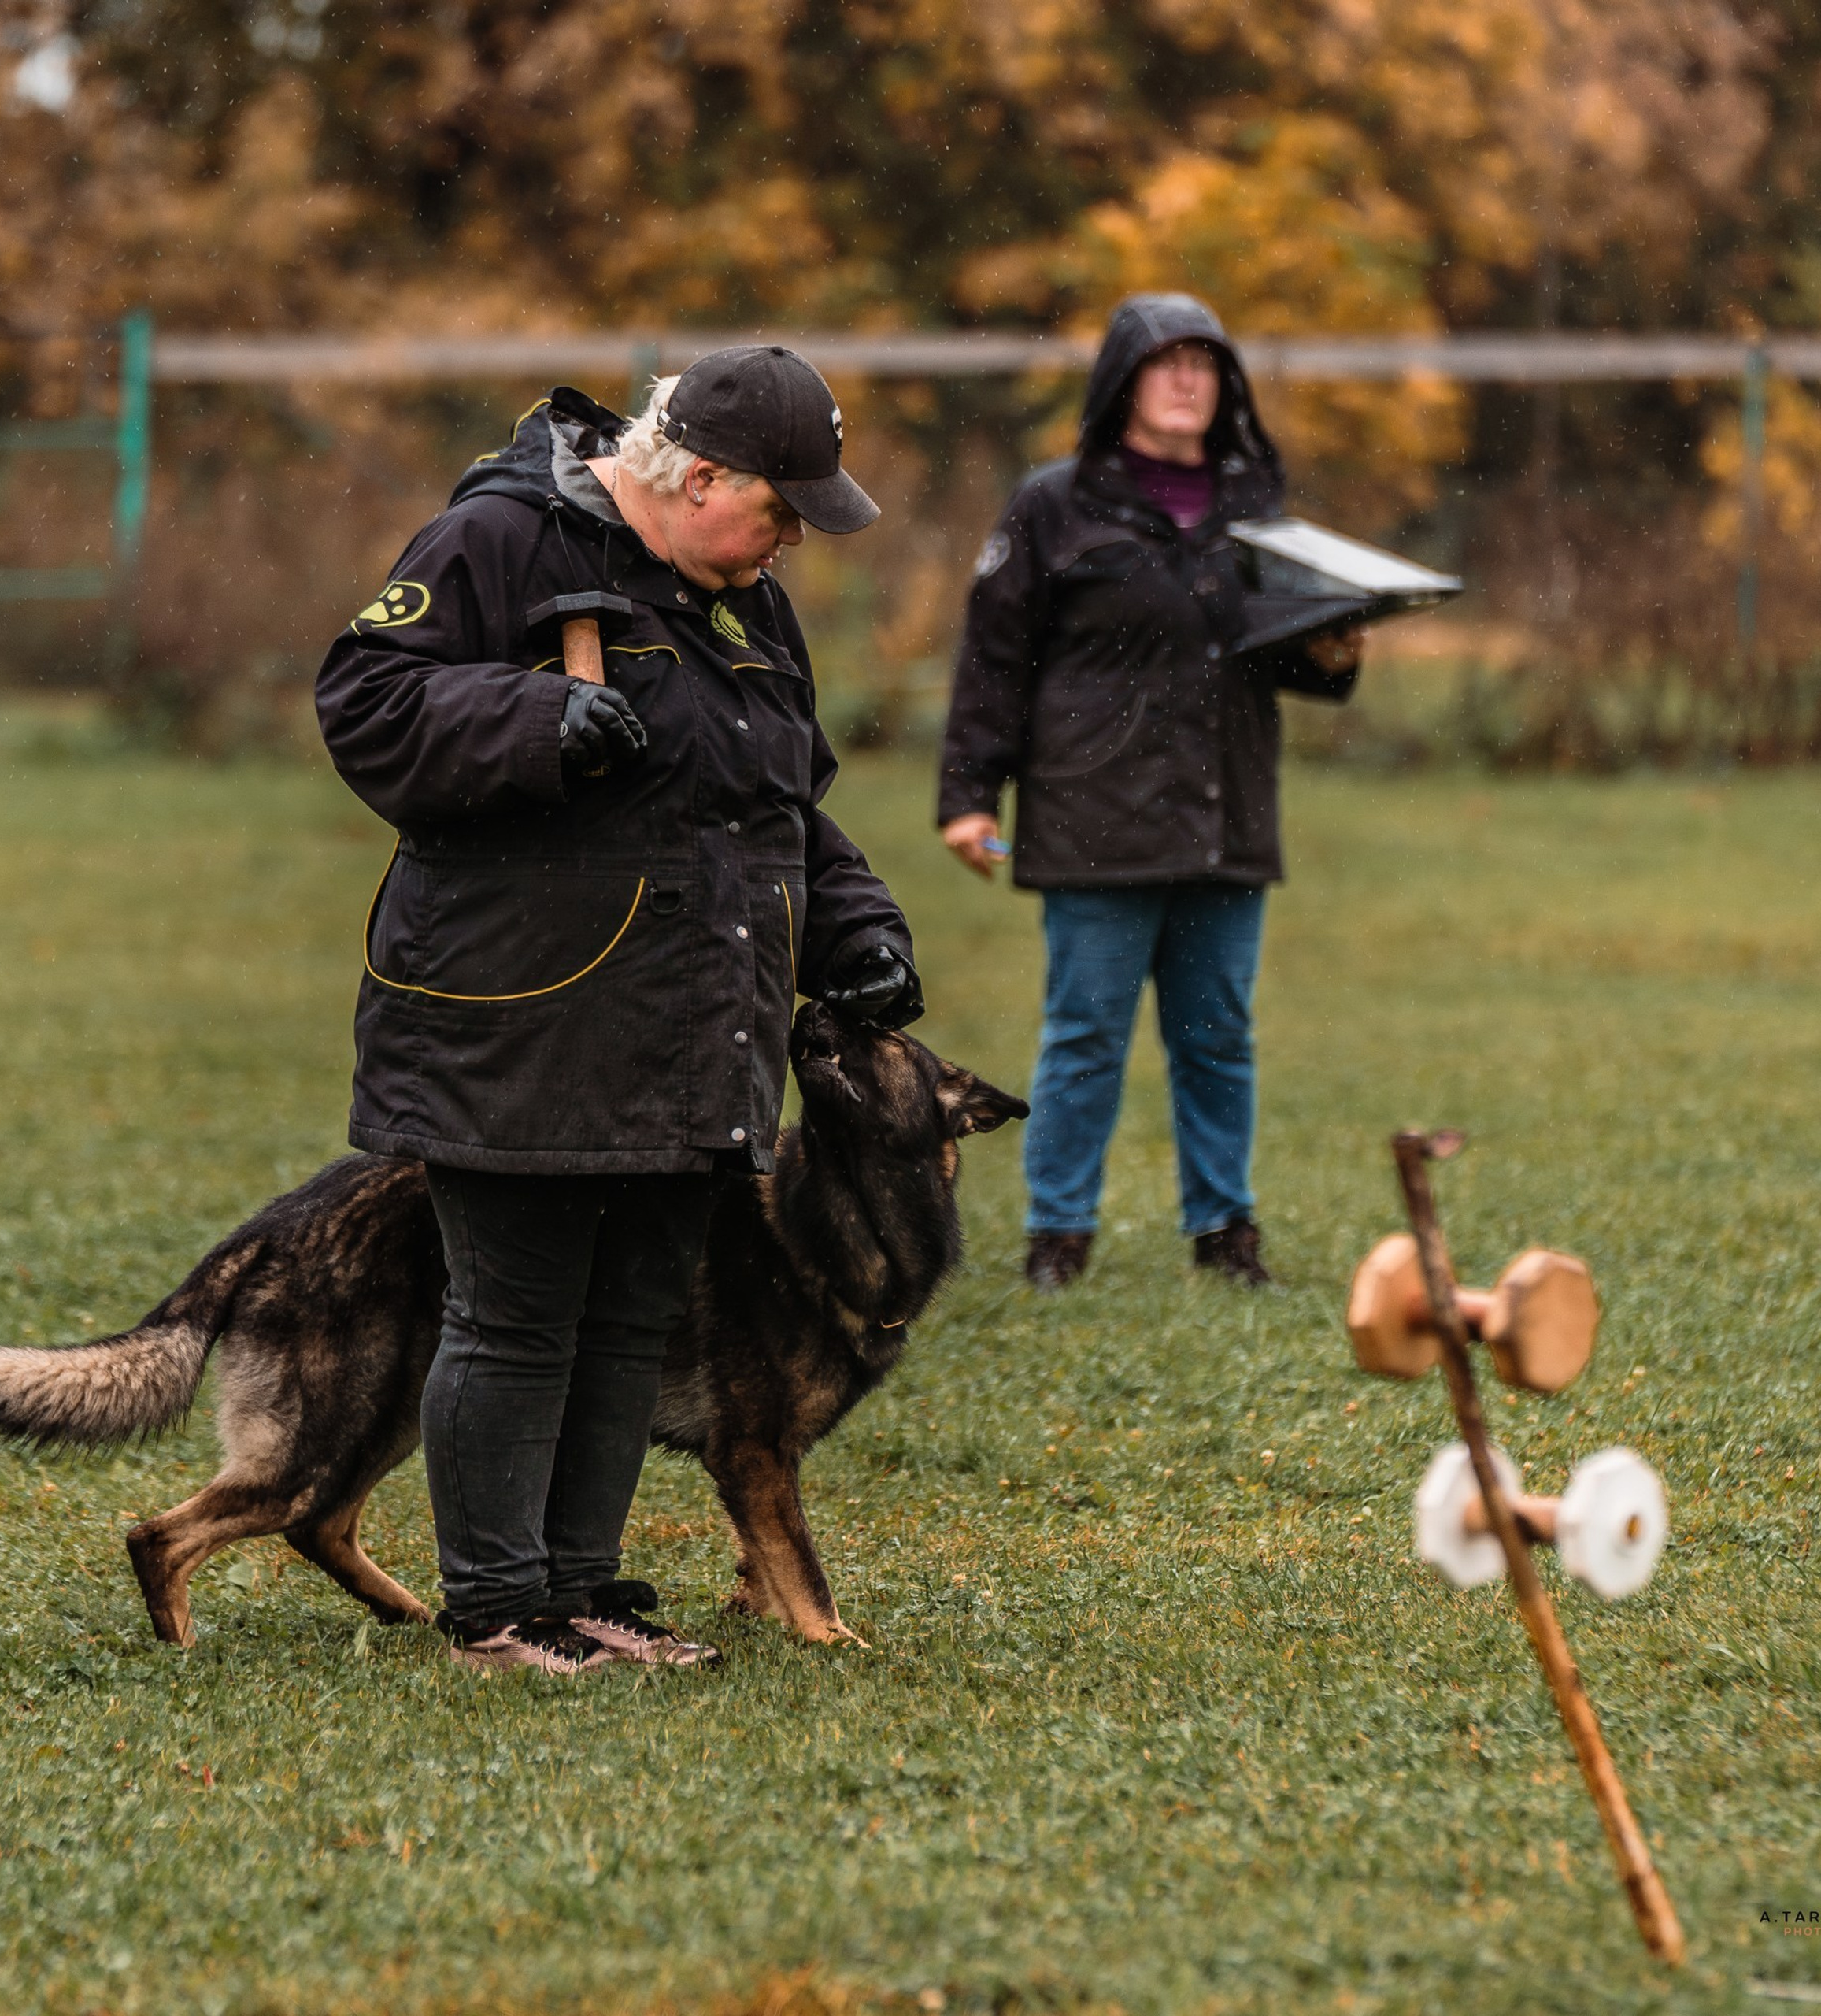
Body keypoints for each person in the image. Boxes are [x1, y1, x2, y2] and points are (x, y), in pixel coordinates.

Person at [316, 346, 921, 1676]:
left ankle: (582, 1594)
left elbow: (784, 806)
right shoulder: (501, 539)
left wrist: (863, 934)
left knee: (629, 1316)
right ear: (697, 473)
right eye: (776, 510)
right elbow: (363, 700)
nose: (788, 546)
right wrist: (528, 720)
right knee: (517, 1312)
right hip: (519, 1018)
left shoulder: (748, 601)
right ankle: (494, 1612)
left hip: (690, 1030)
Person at [936, 294, 1361, 1293]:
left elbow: (1277, 648)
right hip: (1094, 819)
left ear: (1226, 386)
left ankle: (1225, 1234)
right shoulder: (1055, 504)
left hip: (1226, 815)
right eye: (1164, 361)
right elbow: (996, 658)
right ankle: (1057, 1236)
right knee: (1085, 1032)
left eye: (1204, 364)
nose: (1185, 380)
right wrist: (968, 794)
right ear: (1122, 381)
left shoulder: (1256, 506)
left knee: (1218, 1034)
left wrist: (1335, 651)